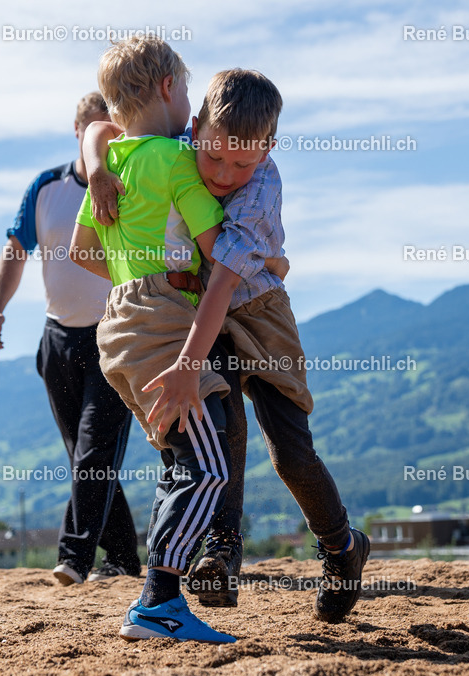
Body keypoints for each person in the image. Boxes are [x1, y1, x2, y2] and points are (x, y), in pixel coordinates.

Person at [86, 69, 369, 624]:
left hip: (258, 310)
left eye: (243, 163)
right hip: (199, 315)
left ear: (268, 149)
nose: (223, 174)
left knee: (290, 450)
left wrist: (188, 363)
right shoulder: (179, 149)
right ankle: (221, 552)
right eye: (213, 157)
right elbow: (101, 125)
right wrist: (96, 169)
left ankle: (341, 548)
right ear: (196, 129)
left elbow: (224, 277)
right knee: (224, 430)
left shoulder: (262, 189)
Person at [69, 35, 238, 644]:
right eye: (188, 91)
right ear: (169, 88)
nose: (190, 105)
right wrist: (268, 261)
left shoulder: (109, 169)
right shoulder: (174, 160)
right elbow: (223, 246)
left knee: (180, 457)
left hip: (117, 323)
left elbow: (81, 252)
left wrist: (135, 270)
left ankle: (158, 597)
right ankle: (158, 601)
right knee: (210, 468)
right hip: (162, 322)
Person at [0, 92, 141, 586]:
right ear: (78, 132)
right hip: (57, 342)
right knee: (86, 459)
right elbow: (16, 250)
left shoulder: (132, 183)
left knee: (94, 452)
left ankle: (74, 557)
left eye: (111, 129)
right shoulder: (46, 187)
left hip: (115, 335)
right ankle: (125, 560)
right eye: (94, 129)